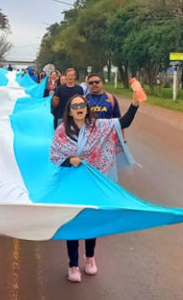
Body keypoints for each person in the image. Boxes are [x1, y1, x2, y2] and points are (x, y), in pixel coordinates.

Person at [49, 95, 135, 283]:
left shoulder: (99, 126)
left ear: (87, 109)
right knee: (72, 222)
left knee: (91, 220)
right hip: (71, 183)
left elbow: (123, 122)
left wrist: (135, 104)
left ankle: (90, 258)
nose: (79, 108)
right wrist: (70, 161)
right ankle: (72, 264)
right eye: (75, 106)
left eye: (82, 105)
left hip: (93, 182)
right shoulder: (62, 130)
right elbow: (54, 156)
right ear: (70, 111)